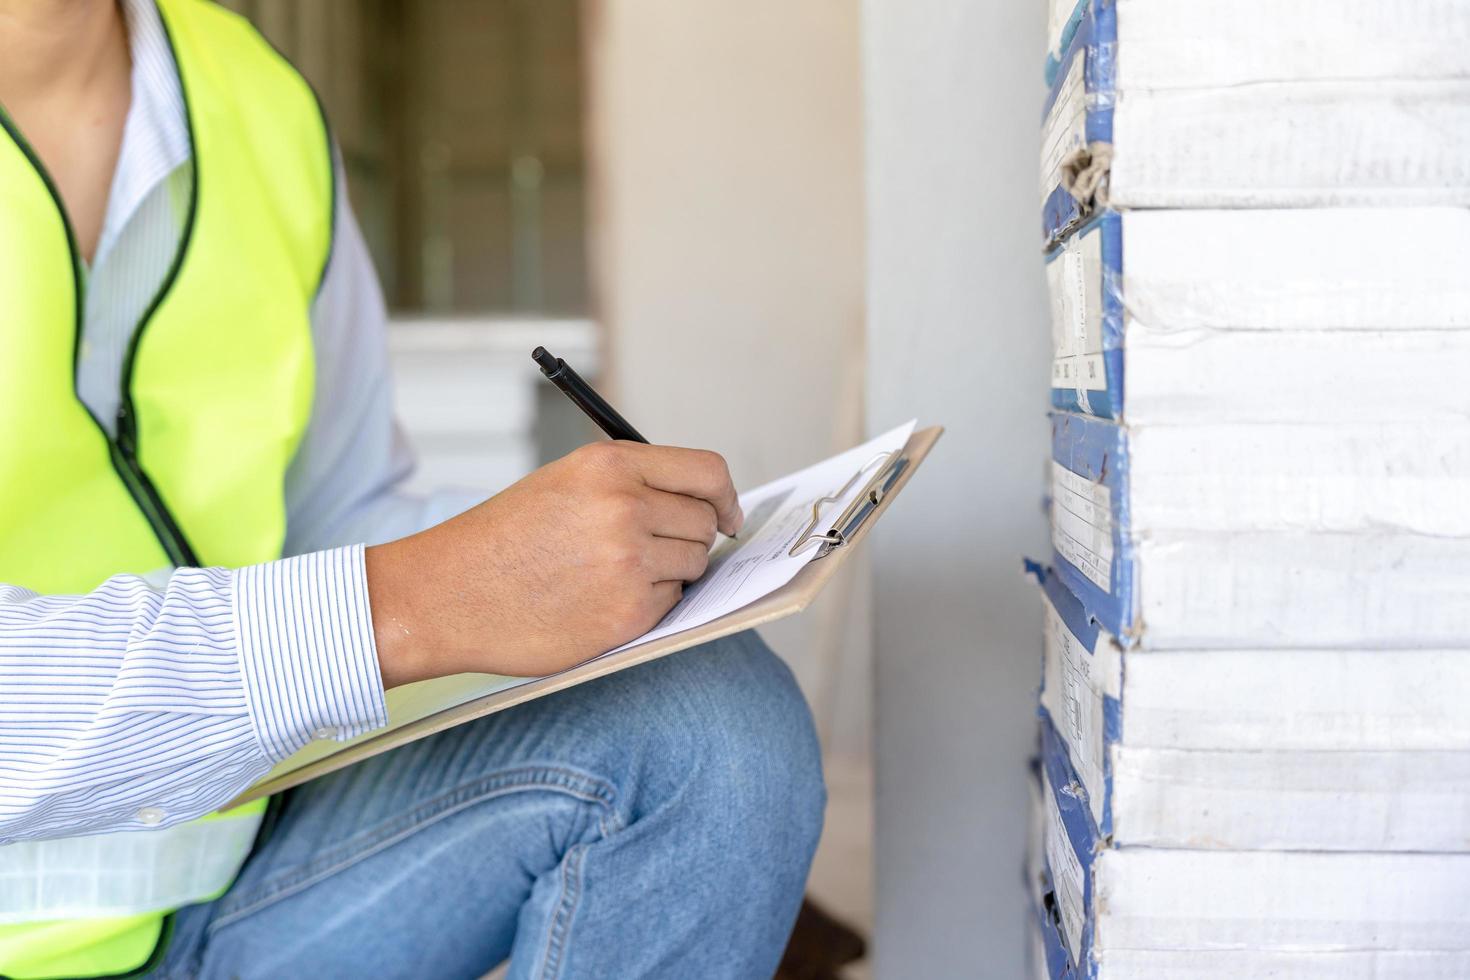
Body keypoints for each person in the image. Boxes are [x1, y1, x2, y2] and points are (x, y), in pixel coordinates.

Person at [0, 1, 826, 976]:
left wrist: (561, 552)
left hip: (236, 884)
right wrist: (410, 600)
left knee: (709, 724)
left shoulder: (256, 100)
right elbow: (390, 593)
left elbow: (341, 512)